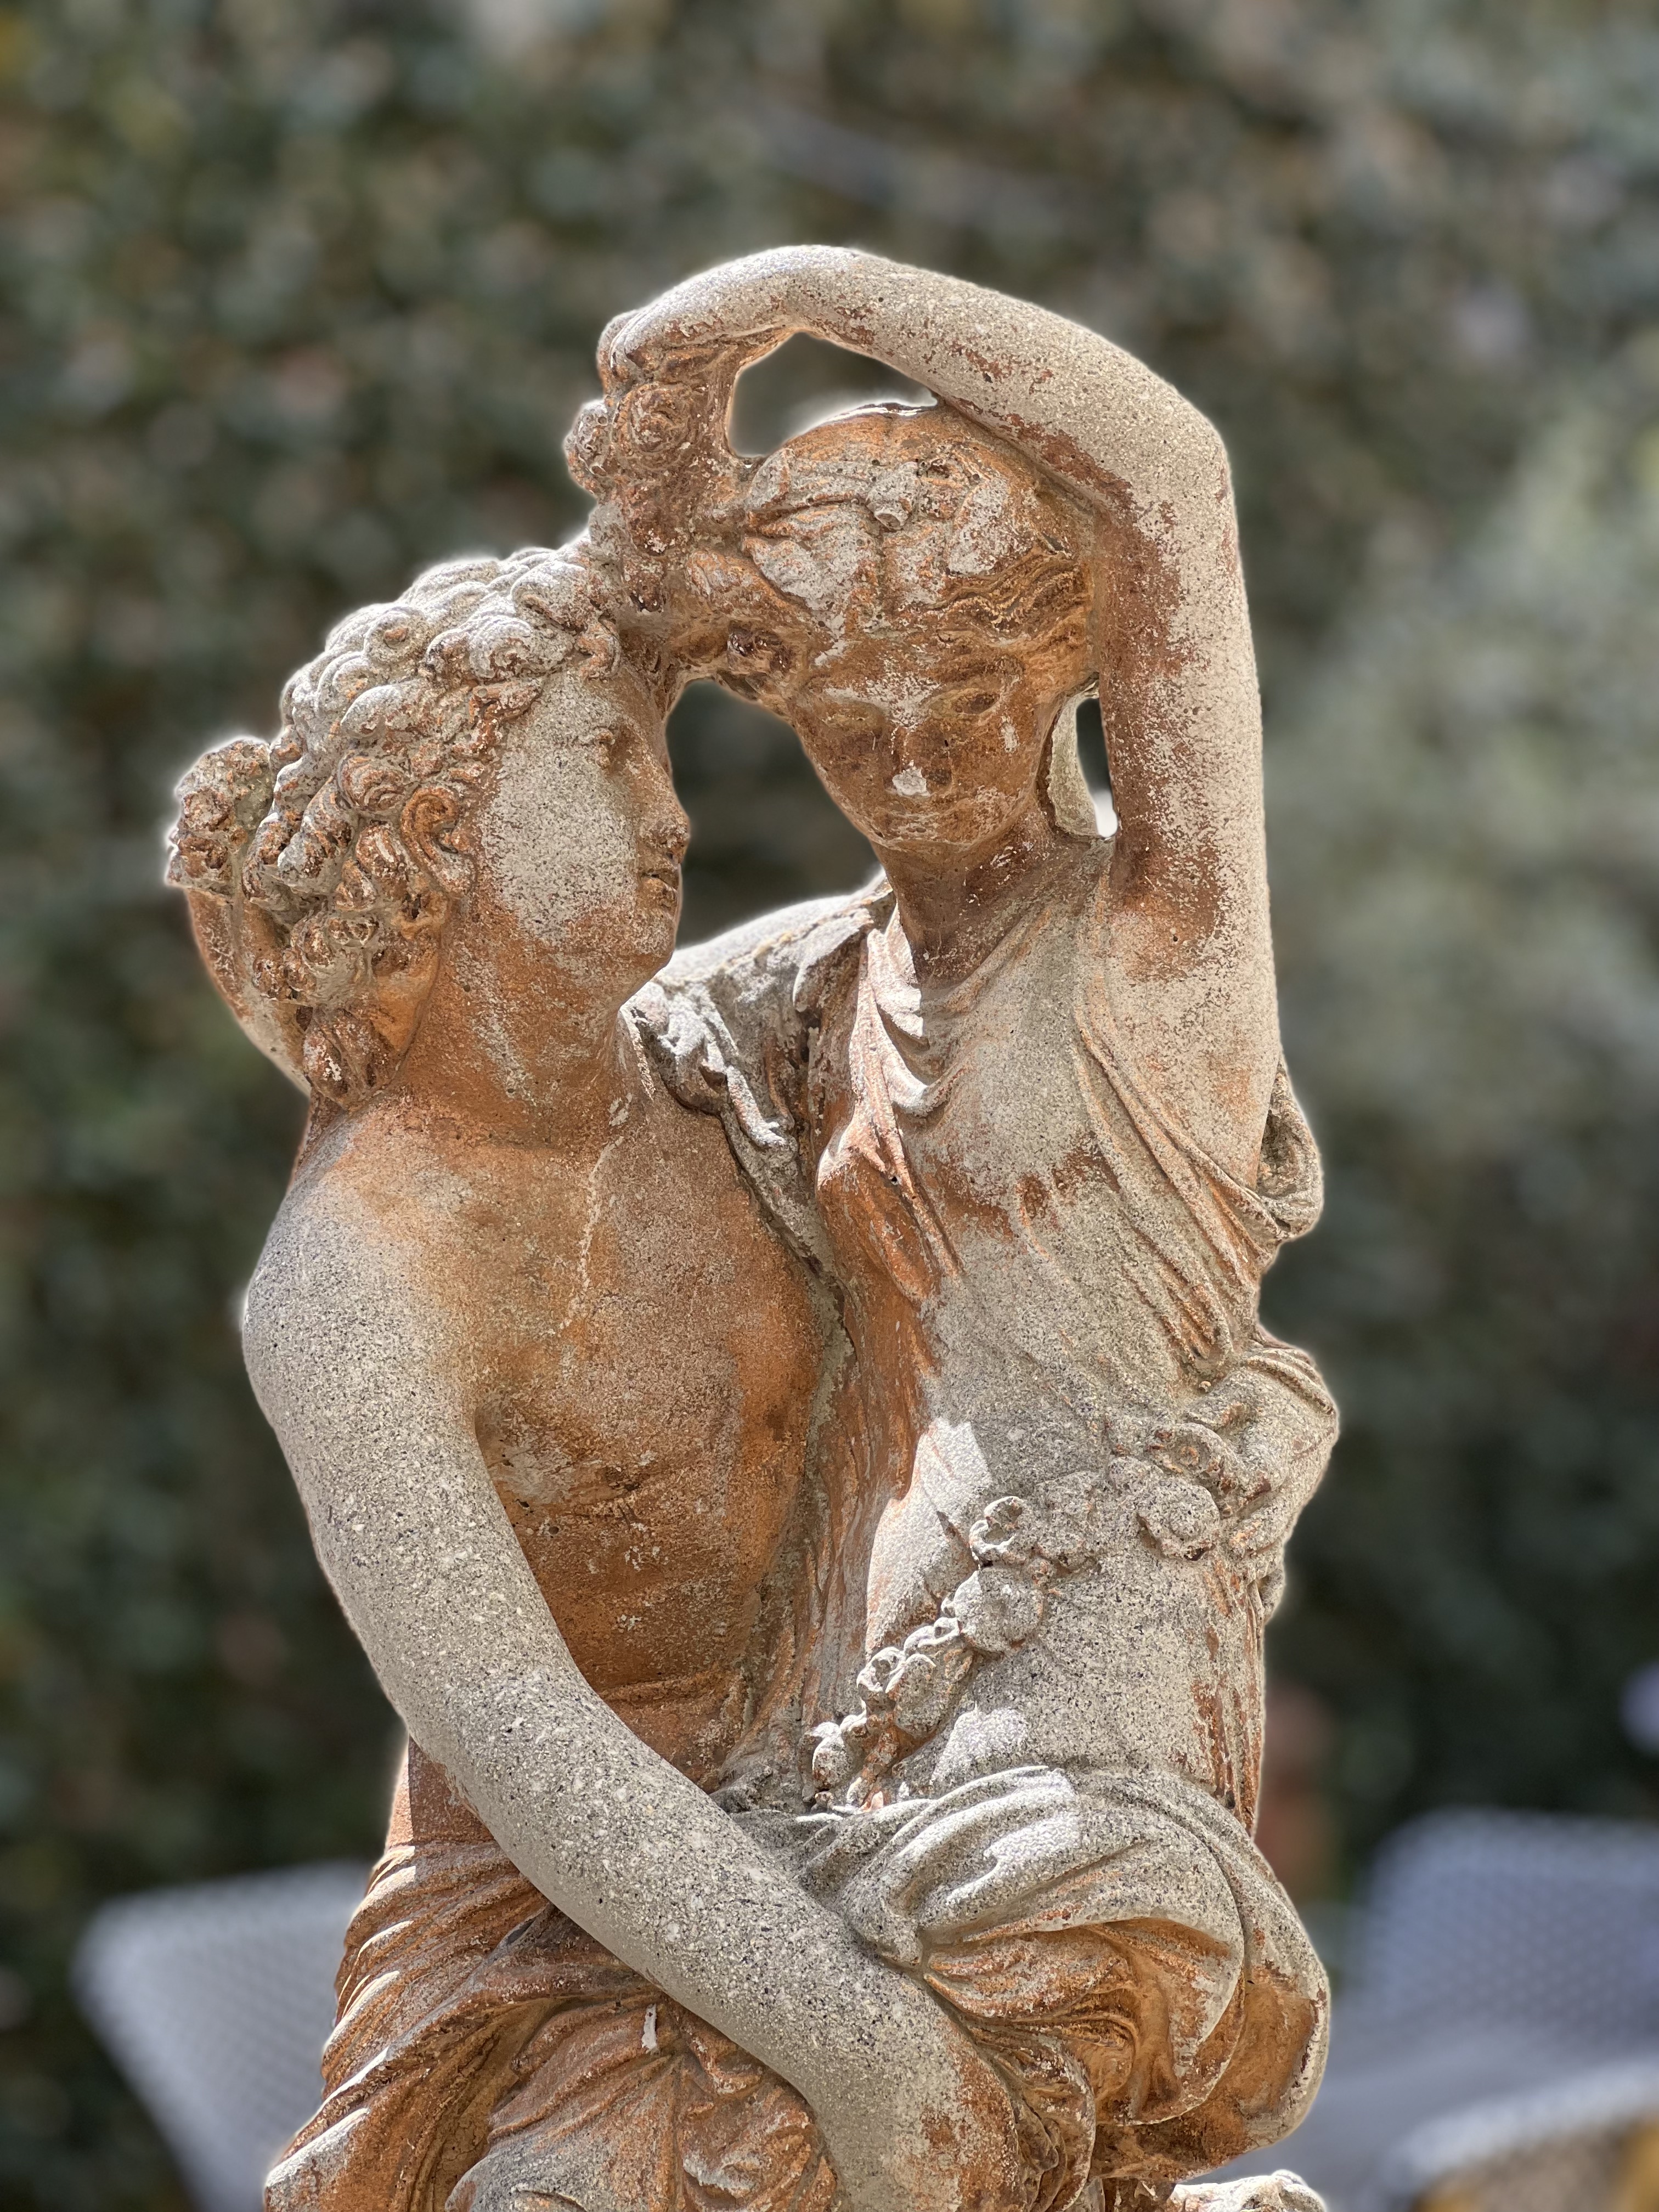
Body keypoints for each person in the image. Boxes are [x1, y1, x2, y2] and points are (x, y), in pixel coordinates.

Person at [570, 247, 1339, 2204]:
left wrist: (800, 291)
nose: (912, 768)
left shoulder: (1164, 952)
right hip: (844, 1704)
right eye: (851, 728)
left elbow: (1168, 481)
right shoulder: (807, 992)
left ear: (1064, 672)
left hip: (1082, 1724)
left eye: (971, 707)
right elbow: (544, 897)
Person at [166, 543, 1024, 2212]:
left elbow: (1012, 933)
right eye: (604, 762)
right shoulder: (358, 1282)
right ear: (438, 832)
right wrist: (858, 2046)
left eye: (661, 758)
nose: (669, 817)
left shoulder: (737, 1050)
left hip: (888, 1783)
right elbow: (523, 1737)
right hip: (571, 1930)